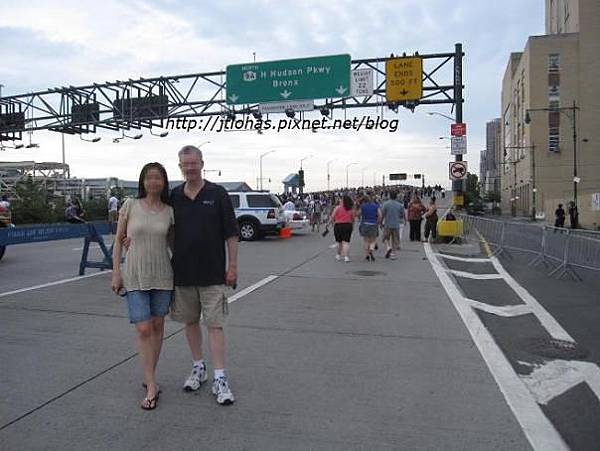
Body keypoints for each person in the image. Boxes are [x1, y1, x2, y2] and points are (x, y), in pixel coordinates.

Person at [169, 145, 239, 406]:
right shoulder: (174, 195)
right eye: (185, 164)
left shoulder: (217, 193)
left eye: (193, 163)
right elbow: (164, 228)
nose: (189, 168)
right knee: (189, 322)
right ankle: (199, 367)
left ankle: (220, 378)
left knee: (215, 325)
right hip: (184, 274)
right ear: (180, 166)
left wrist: (232, 267)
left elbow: (231, 233)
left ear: (202, 163)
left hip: (213, 273)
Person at [111, 162, 174, 410]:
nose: (153, 182)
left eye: (158, 178)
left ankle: (150, 378)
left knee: (158, 326)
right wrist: (116, 273)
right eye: (149, 178)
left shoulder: (170, 211)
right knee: (144, 329)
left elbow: (174, 245)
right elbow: (118, 241)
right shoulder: (130, 205)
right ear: (143, 181)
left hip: (163, 275)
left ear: (164, 182)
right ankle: (150, 386)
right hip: (134, 275)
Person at [329, 194, 355, 263]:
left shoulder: (337, 208)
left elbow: (332, 217)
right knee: (346, 242)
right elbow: (353, 218)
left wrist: (329, 224)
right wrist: (352, 225)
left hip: (338, 225)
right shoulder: (350, 209)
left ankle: (338, 255)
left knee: (339, 242)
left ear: (343, 201)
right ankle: (346, 257)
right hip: (348, 225)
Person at [381, 191, 405, 259]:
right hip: (396, 224)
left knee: (385, 238)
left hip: (387, 224)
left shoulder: (385, 204)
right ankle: (393, 254)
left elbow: (382, 214)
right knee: (394, 240)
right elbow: (401, 215)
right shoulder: (400, 205)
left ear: (389, 196)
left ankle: (388, 247)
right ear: (396, 196)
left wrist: (380, 223)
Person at [358, 194, 382, 261]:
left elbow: (358, 214)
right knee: (373, 240)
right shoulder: (375, 206)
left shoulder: (362, 206)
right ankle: (371, 249)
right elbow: (380, 215)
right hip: (373, 224)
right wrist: (378, 222)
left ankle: (367, 255)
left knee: (366, 241)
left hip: (365, 224)